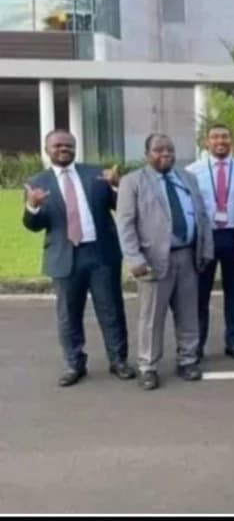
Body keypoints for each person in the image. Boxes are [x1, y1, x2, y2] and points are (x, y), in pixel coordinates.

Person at [22, 129, 134, 387]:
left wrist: (117, 185)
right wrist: (33, 206)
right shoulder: (37, 182)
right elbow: (33, 225)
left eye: (69, 145)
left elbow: (121, 206)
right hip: (64, 256)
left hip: (101, 254)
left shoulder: (96, 173)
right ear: (47, 150)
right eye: (58, 145)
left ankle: (118, 360)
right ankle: (74, 364)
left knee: (112, 310)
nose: (64, 149)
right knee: (68, 315)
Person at [116, 134, 214, 391]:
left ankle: (188, 360)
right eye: (159, 150)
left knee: (188, 313)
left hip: (187, 256)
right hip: (152, 260)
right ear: (146, 154)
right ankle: (148, 366)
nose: (166, 154)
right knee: (151, 317)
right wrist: (134, 258)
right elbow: (125, 224)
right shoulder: (132, 182)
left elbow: (202, 216)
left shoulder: (187, 178)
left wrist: (206, 249)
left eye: (169, 149)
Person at [186, 123, 234, 362]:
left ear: (231, 140)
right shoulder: (192, 172)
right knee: (200, 294)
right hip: (206, 237)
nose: (220, 141)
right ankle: (197, 344)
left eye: (225, 136)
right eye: (215, 137)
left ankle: (233, 342)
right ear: (207, 142)